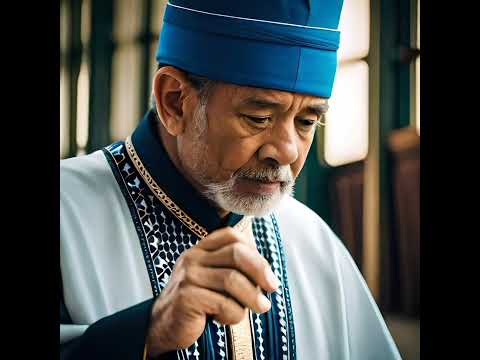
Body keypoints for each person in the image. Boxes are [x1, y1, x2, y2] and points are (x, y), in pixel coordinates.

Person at [60, 0, 402, 359]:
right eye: (258, 117)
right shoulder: (68, 212)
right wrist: (149, 331)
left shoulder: (313, 243)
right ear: (175, 102)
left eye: (306, 122)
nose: (286, 152)